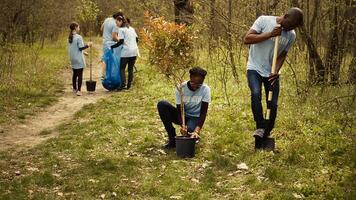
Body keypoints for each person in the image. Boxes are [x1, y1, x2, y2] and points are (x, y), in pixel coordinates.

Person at [243, 7, 303, 139]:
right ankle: (259, 127)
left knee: (273, 104)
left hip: (271, 72)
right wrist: (270, 34)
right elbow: (247, 39)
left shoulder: (291, 35)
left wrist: (275, 71)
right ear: (285, 16)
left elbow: (282, 55)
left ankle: (267, 133)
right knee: (255, 93)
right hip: (254, 67)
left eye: (294, 27)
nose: (291, 28)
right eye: (290, 24)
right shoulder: (264, 20)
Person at [157, 67, 211, 149]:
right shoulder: (181, 88)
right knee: (162, 105)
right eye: (193, 83)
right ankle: (172, 138)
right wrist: (182, 124)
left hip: (195, 118)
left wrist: (197, 130)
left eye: (199, 85)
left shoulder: (205, 90)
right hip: (183, 115)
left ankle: (192, 132)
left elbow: (203, 112)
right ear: (190, 78)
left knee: (189, 133)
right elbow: (179, 109)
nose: (196, 87)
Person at [68, 22, 92, 96]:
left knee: (75, 74)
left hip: (73, 58)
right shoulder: (78, 37)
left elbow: (74, 48)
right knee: (80, 74)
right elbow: (80, 47)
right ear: (75, 27)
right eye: (78, 27)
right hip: (78, 59)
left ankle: (75, 89)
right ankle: (79, 91)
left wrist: (84, 52)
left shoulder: (69, 37)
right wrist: (88, 45)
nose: (79, 28)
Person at [101, 12, 124, 78]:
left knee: (105, 58)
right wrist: (120, 40)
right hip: (111, 43)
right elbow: (114, 37)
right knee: (112, 59)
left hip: (105, 41)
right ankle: (108, 75)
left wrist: (106, 34)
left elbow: (101, 28)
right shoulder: (116, 24)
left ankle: (103, 74)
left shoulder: (107, 19)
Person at [119, 18, 139, 90]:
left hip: (126, 51)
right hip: (134, 51)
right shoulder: (132, 29)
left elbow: (121, 41)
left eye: (117, 22)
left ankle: (123, 84)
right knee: (130, 69)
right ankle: (129, 85)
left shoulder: (121, 30)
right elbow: (137, 39)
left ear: (121, 22)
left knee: (122, 68)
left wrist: (112, 46)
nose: (117, 24)